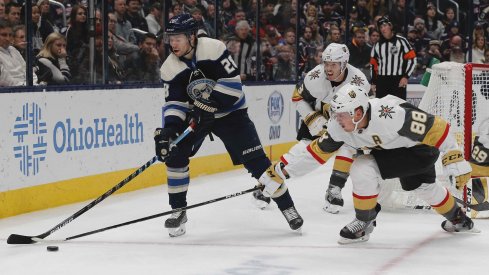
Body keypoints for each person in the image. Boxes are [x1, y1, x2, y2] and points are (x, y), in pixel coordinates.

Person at [262, 83, 478, 244]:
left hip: (420, 150)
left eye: (341, 115)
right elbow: (316, 152)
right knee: (424, 187)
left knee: (363, 166)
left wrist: (453, 155)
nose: (336, 119)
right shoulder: (340, 127)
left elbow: (437, 127)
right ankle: (458, 218)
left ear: (358, 112)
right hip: (396, 152)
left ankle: (364, 222)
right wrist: (281, 171)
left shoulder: (389, 114)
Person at [155, 13, 303, 237]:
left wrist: (209, 105)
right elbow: (175, 104)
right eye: (170, 38)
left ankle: (288, 207)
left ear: (192, 36)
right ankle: (178, 211)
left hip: (231, 113)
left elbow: (234, 86)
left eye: (178, 38)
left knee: (259, 164)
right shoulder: (170, 67)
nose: (172, 43)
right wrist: (169, 130)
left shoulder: (213, 49)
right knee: (174, 154)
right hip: (199, 117)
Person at [253, 43, 370, 214]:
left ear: (344, 64)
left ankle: (334, 189)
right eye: (326, 64)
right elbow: (297, 97)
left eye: (333, 65)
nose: (328, 69)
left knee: (348, 147)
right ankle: (268, 182)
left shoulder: (359, 81)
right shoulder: (315, 77)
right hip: (318, 117)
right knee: (300, 151)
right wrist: (313, 119)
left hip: (345, 121)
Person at [370, 15, 416, 100]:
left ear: (390, 26)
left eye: (385, 25)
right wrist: (373, 82)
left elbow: (412, 59)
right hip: (382, 81)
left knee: (399, 108)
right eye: (381, 27)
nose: (383, 29)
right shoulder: (377, 45)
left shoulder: (401, 41)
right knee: (381, 108)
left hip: (398, 80)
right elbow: (373, 65)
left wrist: (405, 77)